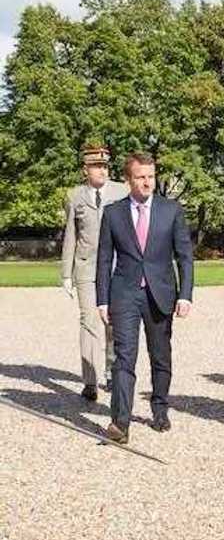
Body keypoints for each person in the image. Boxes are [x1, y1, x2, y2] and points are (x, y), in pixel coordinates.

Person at [95, 152, 193, 443]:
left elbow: (185, 257)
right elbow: (104, 259)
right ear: (128, 179)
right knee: (124, 357)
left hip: (160, 294)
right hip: (124, 294)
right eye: (141, 177)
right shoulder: (113, 213)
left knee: (160, 355)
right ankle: (120, 423)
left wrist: (185, 295)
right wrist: (102, 299)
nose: (147, 182)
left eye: (151, 176)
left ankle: (160, 408)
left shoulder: (171, 210)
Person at [60, 144, 128, 401]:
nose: (102, 170)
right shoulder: (74, 196)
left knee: (112, 321)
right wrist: (66, 273)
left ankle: (111, 372)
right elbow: (71, 235)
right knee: (88, 321)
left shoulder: (122, 191)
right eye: (97, 166)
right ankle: (90, 381)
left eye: (105, 166)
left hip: (115, 267)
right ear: (85, 170)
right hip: (86, 267)